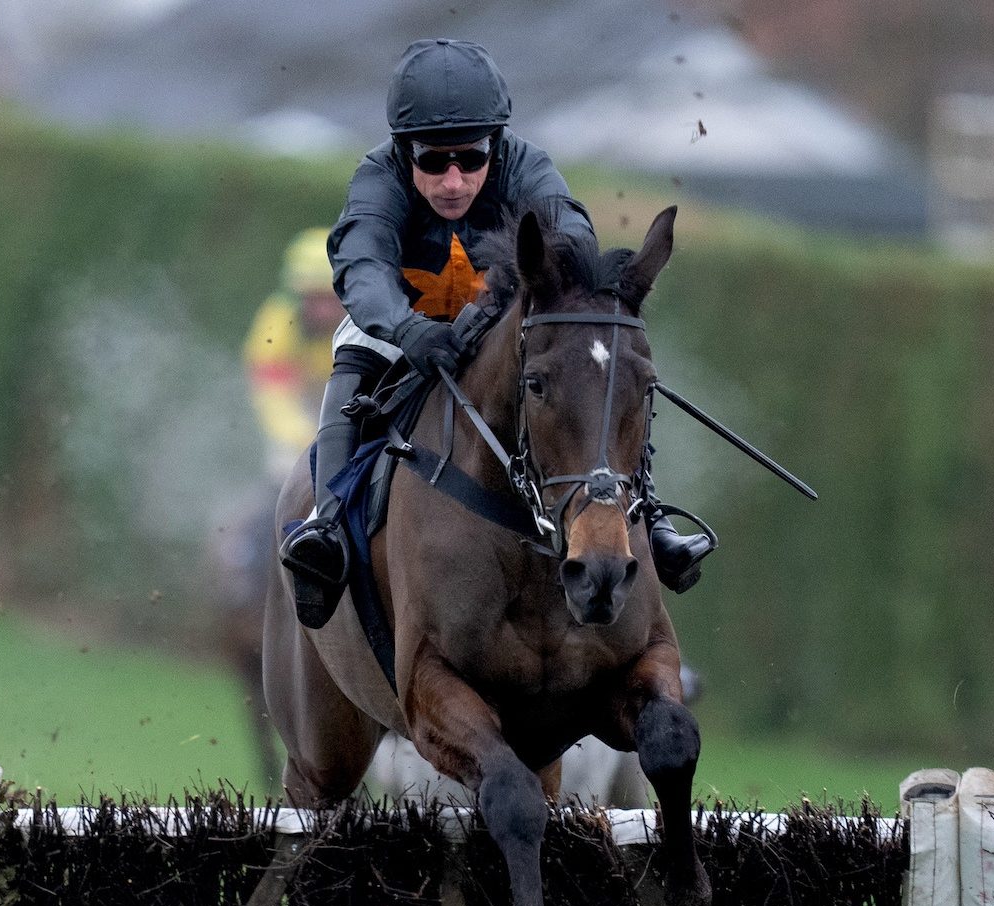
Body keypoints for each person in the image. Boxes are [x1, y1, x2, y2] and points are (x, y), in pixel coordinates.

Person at [277, 38, 715, 630]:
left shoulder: (528, 167)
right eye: (433, 162)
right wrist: (409, 329)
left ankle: (652, 520)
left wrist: (493, 309)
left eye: (471, 158)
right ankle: (326, 527)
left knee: (599, 376)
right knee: (351, 356)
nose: (454, 181)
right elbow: (361, 267)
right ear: (405, 152)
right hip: (400, 326)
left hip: (500, 321)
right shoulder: (377, 178)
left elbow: (572, 240)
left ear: (497, 145)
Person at [243, 228, 344, 482]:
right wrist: (306, 435)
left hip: (350, 411)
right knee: (287, 468)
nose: (323, 310)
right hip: (302, 421)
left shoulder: (365, 321)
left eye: (331, 298)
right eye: (314, 299)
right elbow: (274, 397)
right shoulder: (275, 325)